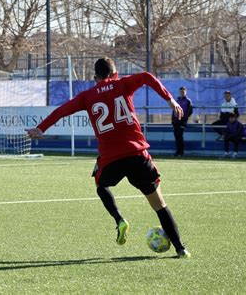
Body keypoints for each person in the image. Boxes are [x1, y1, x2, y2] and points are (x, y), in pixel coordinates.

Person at [26, 57, 191, 258]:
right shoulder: (122, 84)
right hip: (138, 154)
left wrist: (40, 128)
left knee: (101, 185)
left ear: (95, 77)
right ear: (115, 73)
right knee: (159, 205)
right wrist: (170, 100)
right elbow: (148, 76)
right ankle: (181, 249)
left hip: (111, 158)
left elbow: (61, 111)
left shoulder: (87, 96)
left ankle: (119, 219)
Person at [171, 86, 193, 157]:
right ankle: (178, 151)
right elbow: (174, 110)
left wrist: (183, 119)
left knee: (180, 136)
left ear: (185, 92)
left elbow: (189, 111)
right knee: (176, 136)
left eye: (183, 91)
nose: (182, 93)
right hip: (176, 121)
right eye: (181, 91)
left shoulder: (188, 101)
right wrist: (173, 120)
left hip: (182, 121)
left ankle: (181, 152)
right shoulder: (177, 101)